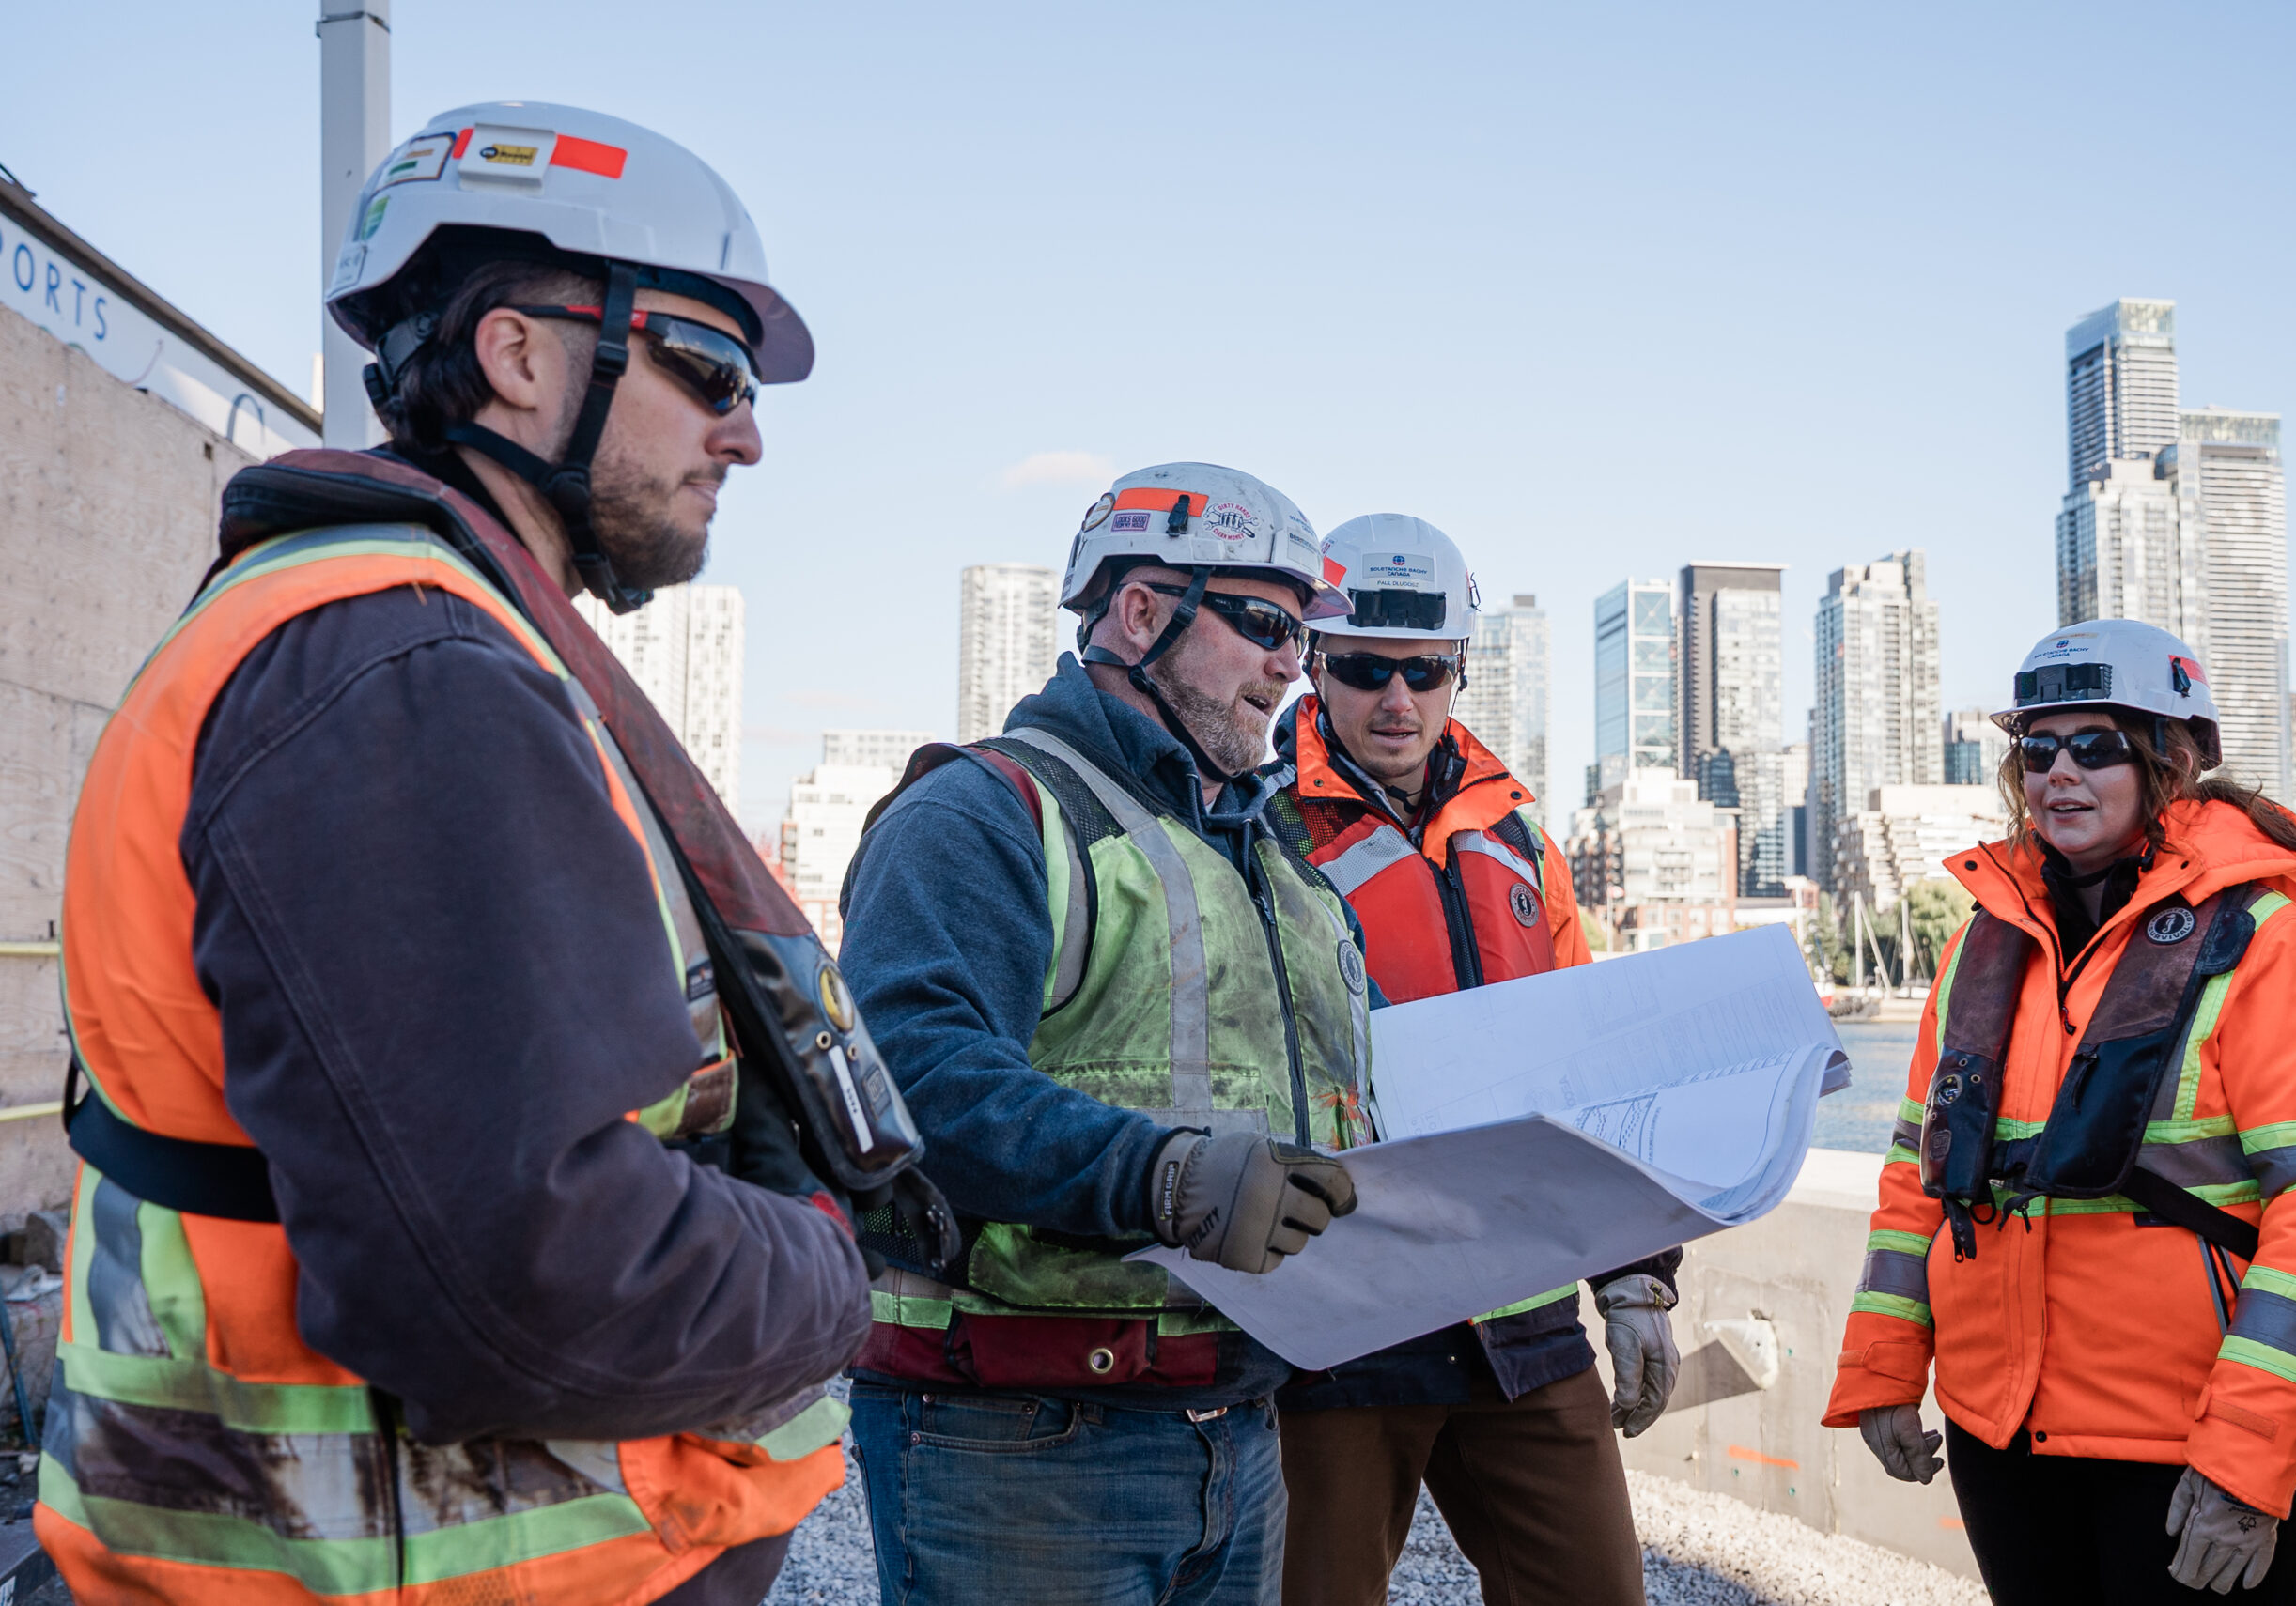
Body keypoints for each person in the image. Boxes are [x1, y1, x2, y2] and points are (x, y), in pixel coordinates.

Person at [39, 104, 887, 1605]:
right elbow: (521, 1274)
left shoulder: (404, 633)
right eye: (711, 369)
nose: (745, 431)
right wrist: (827, 1257)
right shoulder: (406, 665)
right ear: (518, 357)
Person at [837, 462, 1370, 1605]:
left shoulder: (1268, 857)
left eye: (1302, 640)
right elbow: (908, 1078)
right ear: (1140, 612)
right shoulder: (983, 813)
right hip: (1020, 1442)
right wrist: (1166, 1176)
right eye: (1268, 625)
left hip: (1237, 1424)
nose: (1293, 666)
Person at [1823, 620, 2296, 1604]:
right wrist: (1881, 1366)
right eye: (2036, 750)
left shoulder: (2270, 947)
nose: (2059, 775)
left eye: (2095, 747)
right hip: (2003, 1439)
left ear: (2170, 764)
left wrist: (2248, 1460)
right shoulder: (1983, 949)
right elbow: (1917, 1172)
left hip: (2186, 1455)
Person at [1263, 514, 1678, 1606]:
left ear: (1458, 667)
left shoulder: (1521, 842)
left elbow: (1588, 1066)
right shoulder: (1251, 832)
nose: (1395, 701)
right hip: (1345, 1317)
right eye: (1362, 669)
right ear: (1315, 661)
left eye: (1424, 670)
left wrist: (1635, 1273)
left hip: (1520, 1314)